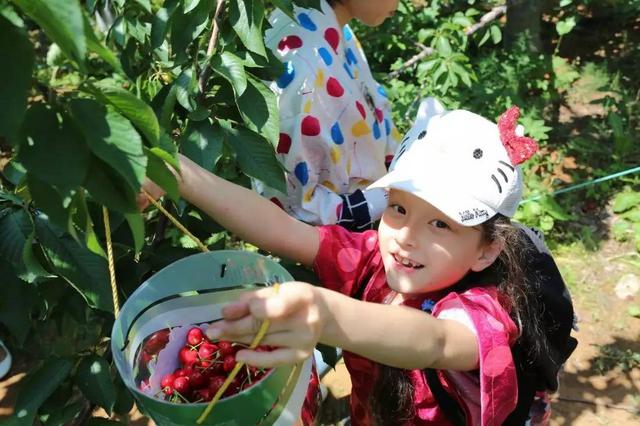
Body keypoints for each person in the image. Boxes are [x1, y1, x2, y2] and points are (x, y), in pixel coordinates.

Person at [142, 99, 563, 424]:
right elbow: (281, 228)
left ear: (486, 250)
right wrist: (179, 174)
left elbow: (435, 342)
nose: (406, 236)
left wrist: (326, 315)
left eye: (440, 224)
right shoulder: (371, 261)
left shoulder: (481, 314)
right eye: (398, 209)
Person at [258, 0, 403, 231]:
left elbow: (374, 109)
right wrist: (389, 197)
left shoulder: (329, 26)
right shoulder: (305, 67)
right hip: (333, 243)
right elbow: (296, 206)